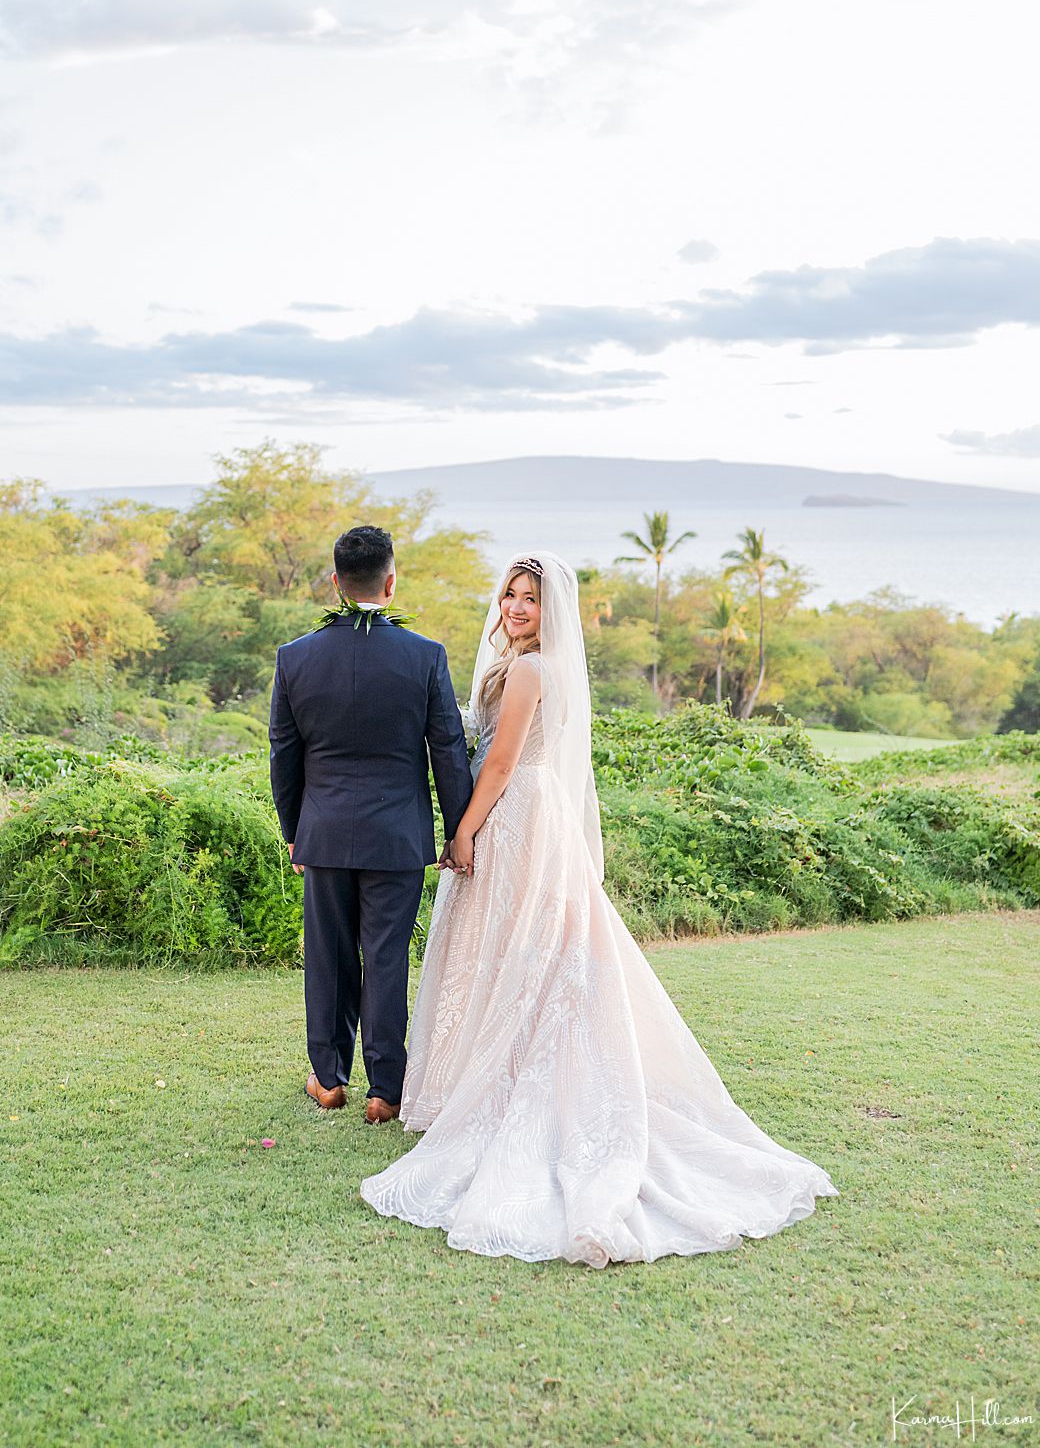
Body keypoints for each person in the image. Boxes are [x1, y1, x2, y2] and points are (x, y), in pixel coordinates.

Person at [360, 551, 839, 1265]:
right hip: (531, 811)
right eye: (510, 596)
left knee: (522, 947)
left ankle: (511, 1085)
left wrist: (461, 829)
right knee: (522, 947)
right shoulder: (520, 663)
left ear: (554, 612)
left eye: (531, 600)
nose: (517, 608)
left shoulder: (529, 671)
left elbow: (499, 762)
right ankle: (482, 1074)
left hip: (517, 812)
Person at [269, 524, 473, 1124]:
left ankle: (328, 1080)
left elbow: (285, 753)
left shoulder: (295, 658)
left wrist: (293, 828)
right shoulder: (425, 656)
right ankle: (386, 1090)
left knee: (328, 955)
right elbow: (448, 751)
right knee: (385, 958)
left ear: (335, 583)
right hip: (398, 837)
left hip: (324, 832)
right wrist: (457, 827)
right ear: (390, 583)